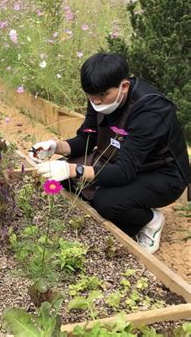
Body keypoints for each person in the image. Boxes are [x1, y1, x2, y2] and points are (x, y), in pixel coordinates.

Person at [31, 53, 189, 254]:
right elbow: (87, 139)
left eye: (103, 95)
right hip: (120, 160)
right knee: (64, 178)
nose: (96, 101)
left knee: (107, 202)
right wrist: (56, 146)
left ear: (124, 86)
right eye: (91, 96)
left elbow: (124, 172)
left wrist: (74, 169)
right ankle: (108, 205)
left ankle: (150, 220)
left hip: (162, 175)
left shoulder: (150, 110)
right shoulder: (99, 96)